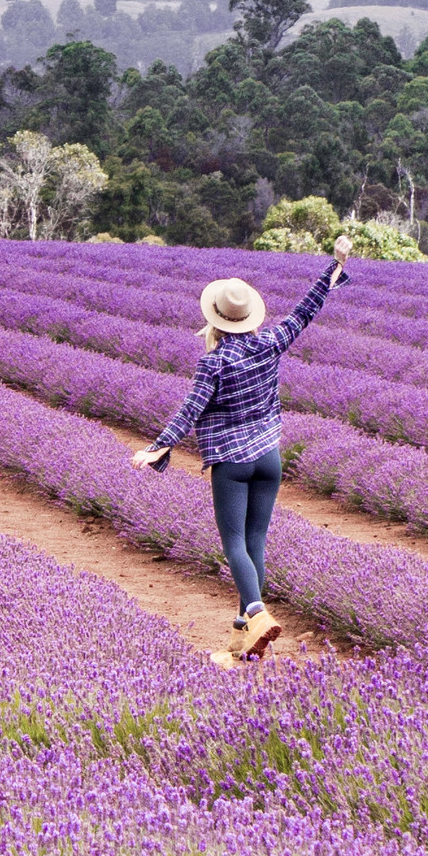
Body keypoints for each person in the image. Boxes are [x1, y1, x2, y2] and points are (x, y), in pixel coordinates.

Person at [130, 254, 347, 659]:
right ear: (250, 316)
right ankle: (242, 636)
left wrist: (159, 445)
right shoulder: (271, 341)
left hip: (232, 464)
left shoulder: (213, 362)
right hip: (268, 458)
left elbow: (189, 410)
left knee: (233, 544)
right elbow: (304, 312)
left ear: (216, 318)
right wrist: (331, 271)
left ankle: (258, 614)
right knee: (255, 542)